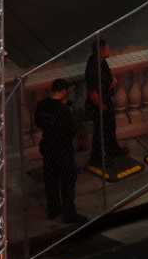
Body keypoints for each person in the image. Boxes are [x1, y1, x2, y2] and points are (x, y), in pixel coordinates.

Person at [33, 78, 86, 224]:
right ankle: (69, 214)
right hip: (62, 149)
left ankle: (53, 209)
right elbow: (71, 130)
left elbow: (38, 122)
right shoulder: (64, 110)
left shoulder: (42, 105)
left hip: (48, 147)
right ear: (63, 91)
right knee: (67, 182)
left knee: (51, 180)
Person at [82, 38, 125, 167]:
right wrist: (101, 106)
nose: (109, 50)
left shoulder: (102, 62)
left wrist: (112, 80)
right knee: (100, 132)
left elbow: (109, 75)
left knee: (110, 128)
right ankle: (98, 157)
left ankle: (113, 150)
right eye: (107, 48)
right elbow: (92, 92)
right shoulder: (93, 67)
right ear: (101, 50)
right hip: (99, 104)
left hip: (106, 100)